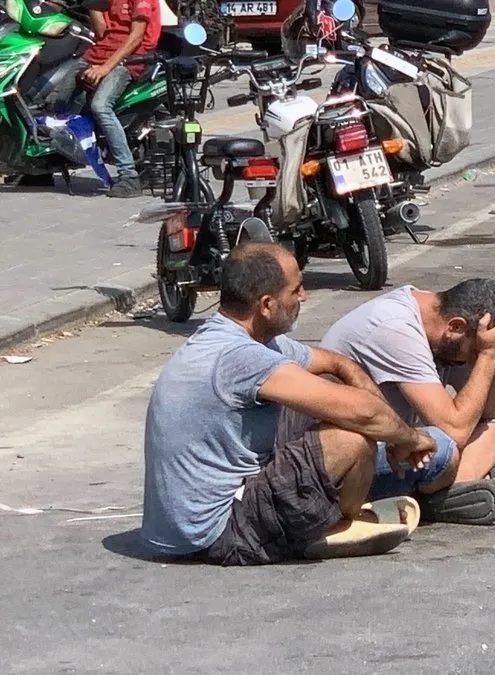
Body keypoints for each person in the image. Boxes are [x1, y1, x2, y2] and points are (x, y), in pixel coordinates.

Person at [140, 242, 438, 566]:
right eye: (295, 290)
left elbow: (336, 363)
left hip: (186, 525)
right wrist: (410, 438)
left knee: (339, 394)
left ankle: (328, 504)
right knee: (354, 436)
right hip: (217, 533)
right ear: (266, 305)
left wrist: (382, 419)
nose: (303, 297)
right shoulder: (240, 357)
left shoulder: (240, 337)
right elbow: (364, 413)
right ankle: (339, 518)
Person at [312, 278, 495, 526]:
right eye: (475, 353)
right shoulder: (395, 328)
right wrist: (490, 356)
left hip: (404, 443)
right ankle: (445, 492)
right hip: (348, 462)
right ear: (456, 327)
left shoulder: (444, 329)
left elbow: (489, 411)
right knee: (444, 446)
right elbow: (455, 431)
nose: (473, 362)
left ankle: (448, 492)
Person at [45, 0, 162, 197]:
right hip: (98, 53)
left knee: (101, 106)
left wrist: (105, 68)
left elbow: (136, 37)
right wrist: (93, 6)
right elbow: (102, 33)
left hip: (130, 59)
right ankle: (44, 167)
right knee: (54, 103)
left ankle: (129, 176)